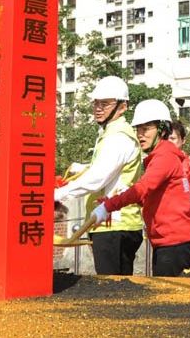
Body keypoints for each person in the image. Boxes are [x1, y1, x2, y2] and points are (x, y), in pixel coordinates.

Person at [95, 100, 190, 277]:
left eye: (146, 129)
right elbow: (147, 197)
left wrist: (108, 206)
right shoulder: (161, 157)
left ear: (162, 130)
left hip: (174, 243)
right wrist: (112, 201)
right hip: (170, 242)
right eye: (138, 129)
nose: (140, 135)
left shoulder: (164, 157)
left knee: (167, 294)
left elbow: (142, 189)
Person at [54, 76, 144, 275]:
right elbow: (106, 170)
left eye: (105, 104)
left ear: (122, 106)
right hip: (113, 224)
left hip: (114, 225)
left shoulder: (119, 137)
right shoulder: (110, 134)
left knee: (112, 287)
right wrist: (83, 168)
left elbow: (98, 178)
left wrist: (58, 194)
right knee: (118, 286)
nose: (98, 108)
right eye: (96, 103)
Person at [168, 120, 190, 205]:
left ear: (183, 140)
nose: (169, 141)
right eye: (166, 139)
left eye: (173, 138)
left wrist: (181, 202)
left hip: (181, 210)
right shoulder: (159, 161)